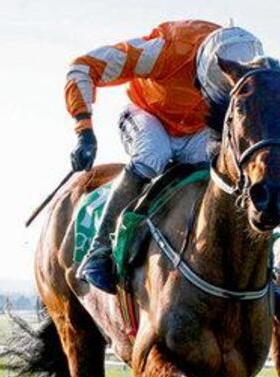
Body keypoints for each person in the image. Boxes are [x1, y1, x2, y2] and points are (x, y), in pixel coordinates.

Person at [67, 20, 266, 293]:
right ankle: (99, 249)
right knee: (153, 155)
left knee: (225, 173)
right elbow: (83, 67)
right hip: (148, 115)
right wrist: (84, 132)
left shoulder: (253, 65)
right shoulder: (163, 51)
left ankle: (261, 273)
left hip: (198, 129)